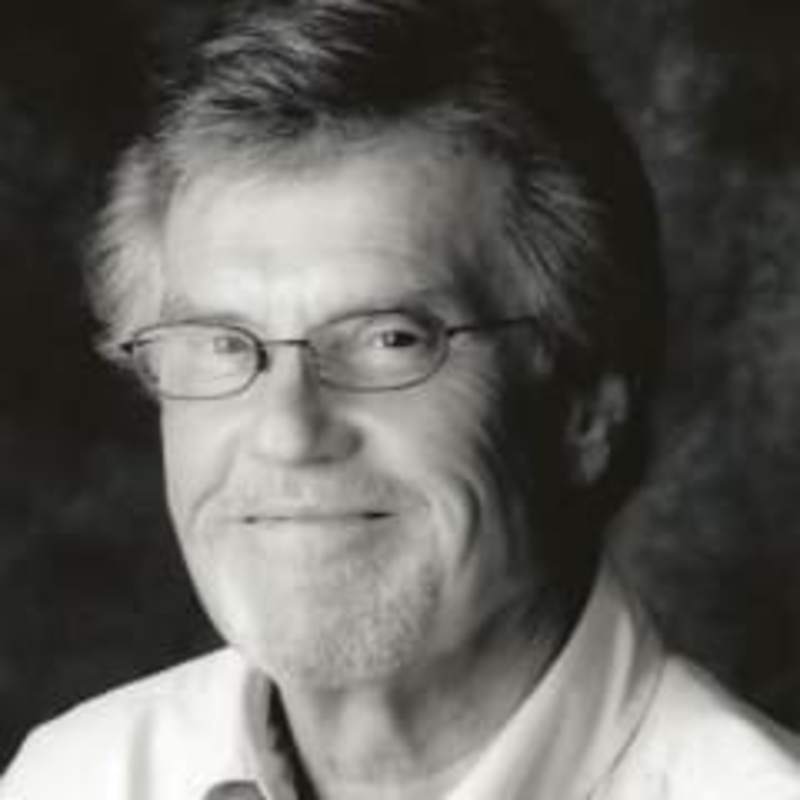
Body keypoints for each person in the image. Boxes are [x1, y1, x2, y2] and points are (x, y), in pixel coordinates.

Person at [3, 0, 800, 797]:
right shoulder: (71, 778)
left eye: (390, 338)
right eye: (223, 344)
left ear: (584, 410)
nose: (288, 432)